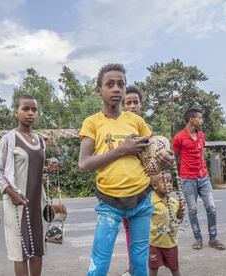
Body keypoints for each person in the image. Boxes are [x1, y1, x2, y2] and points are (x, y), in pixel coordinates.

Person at [78, 64, 173, 276]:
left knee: (140, 261)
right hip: (110, 202)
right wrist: (122, 149)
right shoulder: (92, 122)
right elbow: (84, 164)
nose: (116, 89)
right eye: (109, 84)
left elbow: (150, 156)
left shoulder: (136, 121)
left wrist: (162, 159)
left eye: (121, 84)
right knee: (99, 262)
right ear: (98, 90)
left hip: (141, 200)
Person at [0, 95, 46, 276]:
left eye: (34, 109)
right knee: (20, 251)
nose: (30, 113)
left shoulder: (40, 140)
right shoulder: (9, 139)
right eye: (25, 109)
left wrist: (49, 169)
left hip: (37, 204)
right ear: (16, 112)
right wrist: (12, 193)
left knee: (38, 249)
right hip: (18, 203)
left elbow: (36, 170)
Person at [172, 108, 225, 251]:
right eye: (200, 118)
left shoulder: (202, 135)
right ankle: (198, 239)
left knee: (211, 208)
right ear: (191, 120)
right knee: (193, 210)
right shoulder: (179, 137)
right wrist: (177, 176)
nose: (201, 120)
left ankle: (213, 239)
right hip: (188, 178)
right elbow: (173, 158)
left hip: (203, 177)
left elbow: (201, 155)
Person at [121, 84, 144, 276]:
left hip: (146, 188)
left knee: (147, 231)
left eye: (135, 102)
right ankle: (133, 267)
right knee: (130, 230)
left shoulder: (147, 129)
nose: (132, 106)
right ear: (122, 106)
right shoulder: (117, 129)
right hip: (125, 189)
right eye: (128, 103)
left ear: (141, 105)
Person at [149, 172, 184, 276]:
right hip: (154, 243)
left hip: (171, 243)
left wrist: (181, 210)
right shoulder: (150, 202)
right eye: (164, 182)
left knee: (175, 268)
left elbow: (179, 218)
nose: (169, 184)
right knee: (153, 268)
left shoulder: (174, 202)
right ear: (154, 185)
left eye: (170, 182)